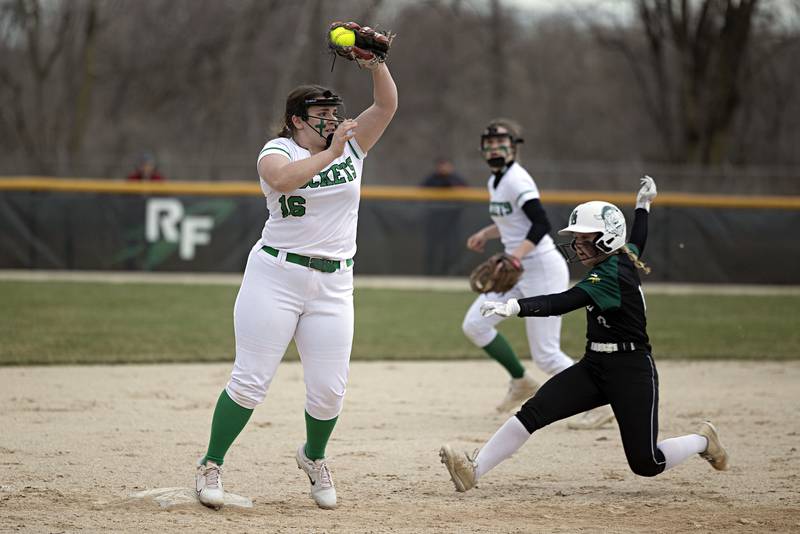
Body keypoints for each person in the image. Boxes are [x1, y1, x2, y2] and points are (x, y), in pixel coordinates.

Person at [194, 58, 398, 510]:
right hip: (276, 276)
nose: (331, 120)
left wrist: (376, 63)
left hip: (334, 283)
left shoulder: (351, 145)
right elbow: (283, 180)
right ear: (295, 120)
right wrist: (330, 152)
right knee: (250, 382)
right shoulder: (278, 150)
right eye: (320, 115)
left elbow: (385, 105)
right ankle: (211, 463)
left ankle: (314, 457)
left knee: (329, 391)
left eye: (333, 112)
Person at [440, 177, 730, 494]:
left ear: (607, 240)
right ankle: (474, 469)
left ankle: (703, 439)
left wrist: (513, 306)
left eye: (585, 238)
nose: (578, 245)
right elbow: (637, 240)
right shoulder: (622, 256)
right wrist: (642, 206)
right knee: (533, 412)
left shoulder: (608, 275)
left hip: (631, 371)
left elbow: (562, 302)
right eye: (576, 239)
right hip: (595, 366)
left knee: (646, 463)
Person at [461, 118, 614, 429]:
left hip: (540, 268)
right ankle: (521, 381)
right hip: (517, 268)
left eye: (500, 143)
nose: (494, 148)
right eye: (489, 144)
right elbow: (512, 222)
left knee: (545, 354)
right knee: (476, 325)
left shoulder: (518, 180)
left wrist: (515, 257)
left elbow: (540, 224)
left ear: (514, 148)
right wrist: (487, 233)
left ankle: (602, 400)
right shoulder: (496, 181)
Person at [420, 158, 467, 275]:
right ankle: (430, 273)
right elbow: (420, 190)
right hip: (434, 220)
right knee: (432, 249)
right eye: (441, 166)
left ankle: (449, 274)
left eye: (446, 165)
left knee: (451, 249)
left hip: (452, 221)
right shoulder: (432, 179)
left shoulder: (455, 179)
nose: (443, 168)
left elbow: (465, 190)